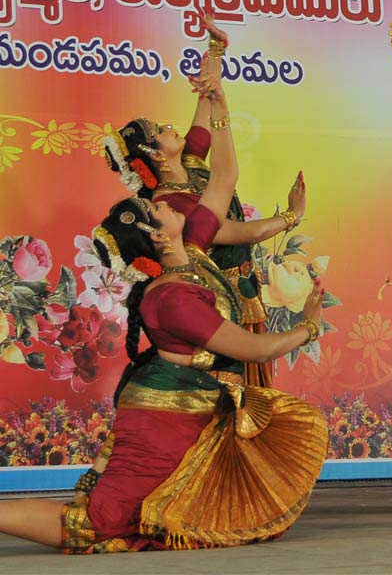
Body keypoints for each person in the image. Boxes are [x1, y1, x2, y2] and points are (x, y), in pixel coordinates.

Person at [0, 76, 329, 551]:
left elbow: (224, 178)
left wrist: (219, 101)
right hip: (162, 414)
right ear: (158, 234)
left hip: (189, 402)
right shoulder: (174, 296)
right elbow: (256, 347)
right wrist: (310, 326)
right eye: (159, 207)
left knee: (155, 502)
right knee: (101, 523)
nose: (170, 203)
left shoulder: (190, 250)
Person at [102, 12, 305, 388]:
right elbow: (240, 233)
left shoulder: (190, 164)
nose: (169, 127)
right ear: (156, 156)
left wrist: (215, 51)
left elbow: (207, 108)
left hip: (239, 288)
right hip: (217, 297)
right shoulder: (173, 206)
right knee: (238, 383)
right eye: (159, 131)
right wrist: (291, 218)